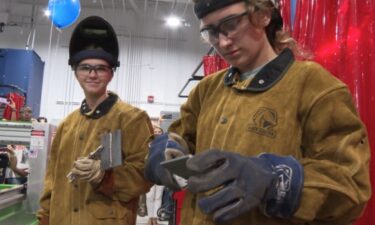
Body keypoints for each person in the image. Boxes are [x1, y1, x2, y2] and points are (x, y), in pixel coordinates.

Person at [144, 1, 372, 225]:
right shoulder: (207, 89)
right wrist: (165, 149)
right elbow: (179, 136)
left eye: (231, 24)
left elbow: (351, 186)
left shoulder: (314, 86)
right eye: (211, 32)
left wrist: (273, 180)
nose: (222, 42)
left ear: (263, 15)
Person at [37, 16, 153, 225]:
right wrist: (45, 218)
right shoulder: (66, 125)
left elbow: (145, 175)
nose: (92, 74)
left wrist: (104, 176)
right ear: (75, 72)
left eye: (100, 68)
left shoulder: (131, 119)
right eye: (85, 67)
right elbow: (52, 180)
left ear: (111, 74)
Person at [145, 124, 165, 225]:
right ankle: (150, 217)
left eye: (159, 132)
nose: (157, 133)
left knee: (158, 197)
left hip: (161, 173)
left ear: (162, 133)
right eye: (155, 132)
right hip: (149, 173)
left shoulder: (166, 144)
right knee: (149, 196)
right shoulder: (147, 145)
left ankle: (155, 218)